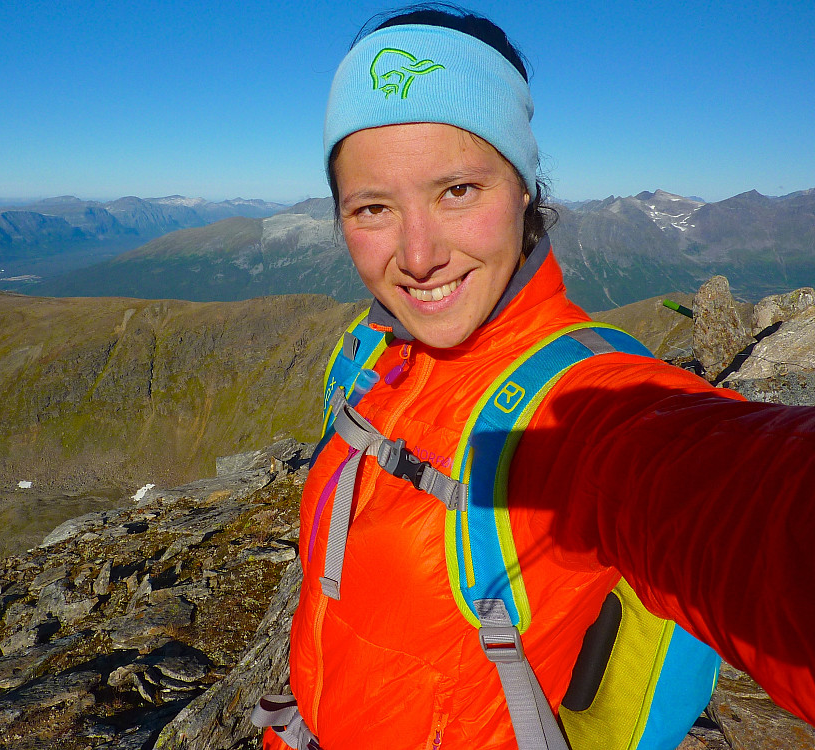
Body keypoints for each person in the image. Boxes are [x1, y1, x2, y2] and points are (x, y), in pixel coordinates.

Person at [259, 5, 815, 749]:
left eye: (458, 190)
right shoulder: (368, 356)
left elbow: (739, 502)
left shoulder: (581, 411)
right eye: (373, 207)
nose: (417, 255)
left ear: (524, 191)